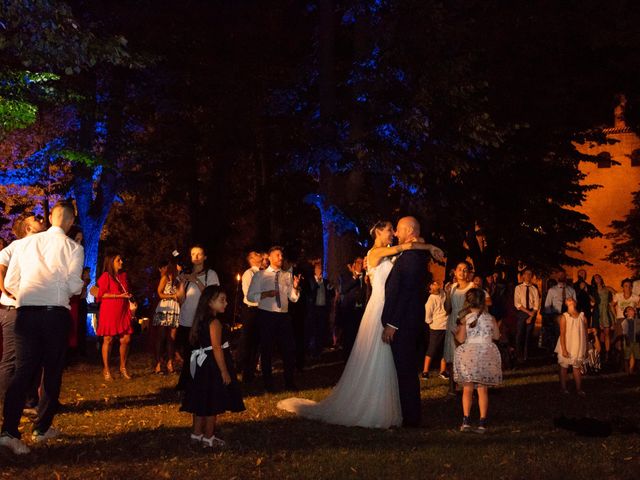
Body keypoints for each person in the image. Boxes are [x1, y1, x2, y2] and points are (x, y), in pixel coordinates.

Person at [278, 219, 440, 428]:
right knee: (376, 356)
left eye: (394, 230)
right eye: (390, 230)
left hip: (389, 306)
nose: (393, 234)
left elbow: (407, 249)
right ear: (379, 232)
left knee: (388, 361)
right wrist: (429, 246)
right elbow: (406, 245)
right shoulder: (374, 253)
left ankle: (389, 405)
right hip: (378, 309)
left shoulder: (391, 252)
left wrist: (427, 246)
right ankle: (370, 405)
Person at [0, 201, 84, 455]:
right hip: (54, 314)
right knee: (52, 371)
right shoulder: (73, 247)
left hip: (26, 314)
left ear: (50, 217)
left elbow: (11, 281)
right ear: (70, 222)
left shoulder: (24, 244)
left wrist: (29, 294)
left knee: (23, 370)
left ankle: (8, 432)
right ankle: (41, 427)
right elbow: (74, 286)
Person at [380, 216, 441, 428]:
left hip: (404, 324)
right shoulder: (411, 253)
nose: (396, 234)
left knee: (406, 371)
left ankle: (411, 419)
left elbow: (406, 293)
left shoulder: (412, 258)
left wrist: (392, 323)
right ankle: (408, 415)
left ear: (409, 231)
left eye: (398, 230)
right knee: (404, 370)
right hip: (405, 322)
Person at [180, 285, 245, 448]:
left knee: (201, 401)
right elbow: (216, 347)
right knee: (211, 402)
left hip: (202, 366)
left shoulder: (200, 319)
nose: (226, 303)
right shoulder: (214, 322)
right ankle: (209, 436)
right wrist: (224, 371)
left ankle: (196, 434)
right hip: (212, 366)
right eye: (222, 300)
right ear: (210, 302)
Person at [0, 214, 45, 410]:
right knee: (11, 358)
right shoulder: (15, 247)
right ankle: (5, 403)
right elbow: (1, 271)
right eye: (36, 218)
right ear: (27, 228)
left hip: (32, 309)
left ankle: (29, 401)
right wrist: (9, 292)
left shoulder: (41, 248)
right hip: (13, 309)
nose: (41, 219)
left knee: (32, 357)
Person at [247, 246, 301, 392]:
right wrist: (264, 295)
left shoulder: (287, 275)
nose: (280, 258)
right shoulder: (260, 275)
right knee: (267, 351)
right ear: (269, 258)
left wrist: (296, 287)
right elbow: (250, 296)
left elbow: (293, 298)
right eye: (277, 255)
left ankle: (289, 382)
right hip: (267, 316)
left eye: (281, 255)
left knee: (289, 350)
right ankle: (268, 384)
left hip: (283, 316)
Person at [454, 288, 501, 433]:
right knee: (482, 390)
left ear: (468, 302)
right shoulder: (491, 318)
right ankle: (482, 422)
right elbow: (497, 337)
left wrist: (457, 332)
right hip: (486, 355)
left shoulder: (465, 319)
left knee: (467, 389)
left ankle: (466, 420)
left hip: (470, 356)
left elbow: (461, 339)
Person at [175, 245, 220, 390]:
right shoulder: (186, 275)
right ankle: (188, 381)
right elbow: (180, 300)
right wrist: (182, 282)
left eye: (199, 254)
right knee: (188, 352)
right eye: (193, 254)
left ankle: (196, 381)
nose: (195, 257)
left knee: (200, 352)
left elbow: (211, 295)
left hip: (202, 320)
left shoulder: (210, 274)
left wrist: (195, 280)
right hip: (186, 319)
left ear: (204, 257)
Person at [91, 253, 136, 380]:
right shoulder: (106, 276)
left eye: (121, 259)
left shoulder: (123, 276)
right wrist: (117, 296)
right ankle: (106, 369)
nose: (121, 262)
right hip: (109, 311)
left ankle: (123, 367)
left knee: (126, 339)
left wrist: (131, 299)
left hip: (123, 311)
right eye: (118, 260)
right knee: (108, 340)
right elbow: (97, 293)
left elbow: (126, 291)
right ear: (111, 262)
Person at [443, 261, 474, 393]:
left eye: (465, 269)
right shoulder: (453, 288)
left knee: (466, 357)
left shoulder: (472, 287)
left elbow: (472, 307)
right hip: (452, 322)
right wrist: (448, 294)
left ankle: (468, 388)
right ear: (455, 272)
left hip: (465, 323)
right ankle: (452, 387)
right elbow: (447, 309)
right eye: (460, 269)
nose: (462, 272)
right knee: (451, 357)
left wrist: (460, 318)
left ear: (468, 273)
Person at [152, 259, 181, 374]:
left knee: (172, 338)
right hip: (164, 308)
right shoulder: (165, 278)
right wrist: (172, 296)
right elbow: (159, 293)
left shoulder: (178, 279)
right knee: (162, 336)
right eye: (177, 266)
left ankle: (170, 363)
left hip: (174, 308)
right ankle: (158, 364)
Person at [238, 251, 262, 383]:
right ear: (252, 259)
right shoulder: (249, 274)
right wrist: (264, 297)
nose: (260, 256)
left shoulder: (262, 273)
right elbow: (248, 294)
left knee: (257, 342)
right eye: (257, 254)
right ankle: (246, 372)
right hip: (251, 310)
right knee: (249, 342)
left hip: (260, 310)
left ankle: (252, 370)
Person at [555, 297, 587, 395]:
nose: (570, 300)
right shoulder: (564, 317)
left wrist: (586, 347)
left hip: (578, 344)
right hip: (567, 344)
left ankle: (578, 389)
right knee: (564, 367)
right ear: (565, 303)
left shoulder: (582, 317)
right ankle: (563, 388)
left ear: (575, 302)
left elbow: (585, 332)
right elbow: (562, 333)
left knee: (576, 367)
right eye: (568, 299)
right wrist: (564, 349)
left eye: (572, 299)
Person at [338, 256, 367, 360]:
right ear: (354, 264)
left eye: (362, 263)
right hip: (349, 310)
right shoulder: (346, 275)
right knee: (349, 335)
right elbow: (343, 289)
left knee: (358, 335)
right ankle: (346, 357)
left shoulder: (365, 277)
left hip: (361, 310)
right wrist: (354, 277)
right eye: (358, 263)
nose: (360, 265)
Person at [306, 260, 334, 359]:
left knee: (321, 330)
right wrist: (317, 283)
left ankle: (319, 351)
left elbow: (331, 294)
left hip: (323, 309)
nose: (320, 270)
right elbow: (309, 294)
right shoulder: (311, 281)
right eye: (318, 269)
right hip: (314, 310)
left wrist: (331, 288)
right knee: (313, 330)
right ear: (314, 270)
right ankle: (312, 351)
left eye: (321, 269)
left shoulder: (325, 281)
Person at [422, 281, 448, 379]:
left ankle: (443, 371)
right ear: (430, 289)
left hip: (446, 326)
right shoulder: (431, 300)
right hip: (436, 327)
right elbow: (427, 317)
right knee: (432, 349)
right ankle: (425, 371)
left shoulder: (443, 293)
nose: (436, 284)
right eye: (433, 284)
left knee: (444, 350)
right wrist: (432, 322)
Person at [513, 268, 540, 362]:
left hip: (532, 313)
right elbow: (517, 304)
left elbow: (536, 304)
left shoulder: (534, 289)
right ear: (523, 276)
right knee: (520, 334)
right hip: (522, 312)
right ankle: (518, 355)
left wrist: (531, 316)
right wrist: (528, 313)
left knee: (529, 335)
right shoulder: (518, 288)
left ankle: (526, 355)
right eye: (526, 274)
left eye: (530, 274)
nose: (528, 276)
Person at [591, 274, 615, 363]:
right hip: (597, 313)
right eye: (595, 278)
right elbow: (591, 302)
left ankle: (607, 355)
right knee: (599, 334)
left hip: (606, 313)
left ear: (601, 278)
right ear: (593, 280)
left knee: (607, 334)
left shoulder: (607, 288)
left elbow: (617, 296)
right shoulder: (593, 290)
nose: (597, 279)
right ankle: (600, 354)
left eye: (598, 277)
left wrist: (614, 313)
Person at [621, 306, 640, 375]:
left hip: (636, 341)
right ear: (626, 313)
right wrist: (627, 340)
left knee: (637, 356)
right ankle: (627, 371)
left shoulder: (637, 320)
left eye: (632, 310)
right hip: (628, 341)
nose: (631, 312)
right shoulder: (625, 321)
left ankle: (636, 370)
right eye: (629, 310)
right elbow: (625, 332)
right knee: (627, 356)